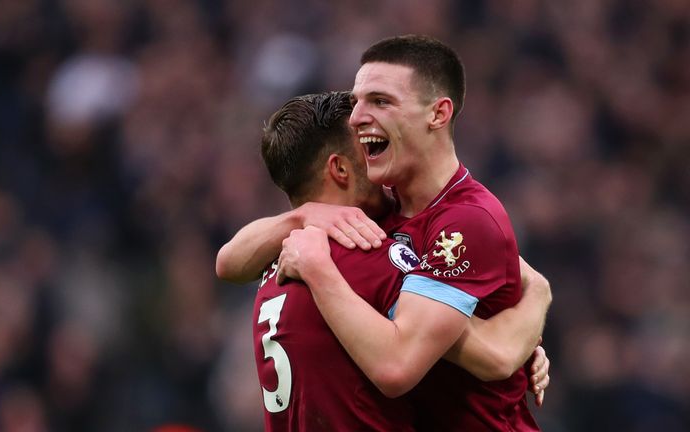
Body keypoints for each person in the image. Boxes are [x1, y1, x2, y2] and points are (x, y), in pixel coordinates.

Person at [226, 90, 550, 430]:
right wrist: (537, 297)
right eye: (369, 148)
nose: (381, 158)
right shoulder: (368, 256)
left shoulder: (274, 262)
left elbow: (226, 263)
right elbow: (494, 354)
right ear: (339, 169)